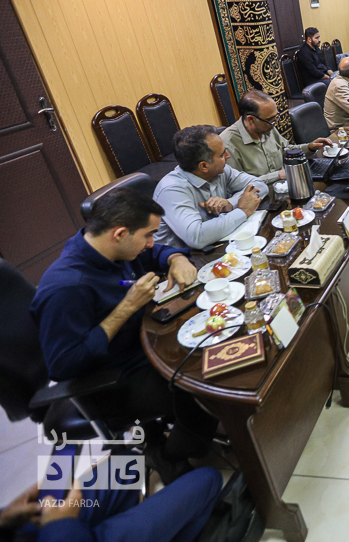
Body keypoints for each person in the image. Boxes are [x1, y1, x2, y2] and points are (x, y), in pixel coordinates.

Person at [30, 189, 219, 480]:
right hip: (110, 379)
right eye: (148, 235)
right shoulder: (66, 288)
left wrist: (175, 259)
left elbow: (155, 252)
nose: (151, 242)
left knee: (208, 341)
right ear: (119, 233)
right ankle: (168, 455)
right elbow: (64, 365)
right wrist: (127, 306)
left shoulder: (108, 248)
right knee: (202, 385)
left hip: (141, 344)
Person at [0, 467, 222, 542]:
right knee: (208, 479)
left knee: (127, 466)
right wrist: (60, 525)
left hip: (20, 532)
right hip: (61, 536)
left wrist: (4, 517)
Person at [153, 126, 267, 250]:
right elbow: (197, 237)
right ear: (204, 166)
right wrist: (242, 211)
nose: (228, 155)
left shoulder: (220, 170)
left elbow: (259, 185)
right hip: (183, 257)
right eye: (222, 155)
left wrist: (231, 203)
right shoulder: (172, 190)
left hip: (216, 245)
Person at [221, 90, 333, 186]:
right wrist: (277, 175)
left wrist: (309, 147)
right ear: (251, 119)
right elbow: (237, 185)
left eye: (276, 117)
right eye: (271, 120)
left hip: (285, 187)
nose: (275, 123)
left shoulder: (266, 126)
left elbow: (285, 150)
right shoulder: (228, 144)